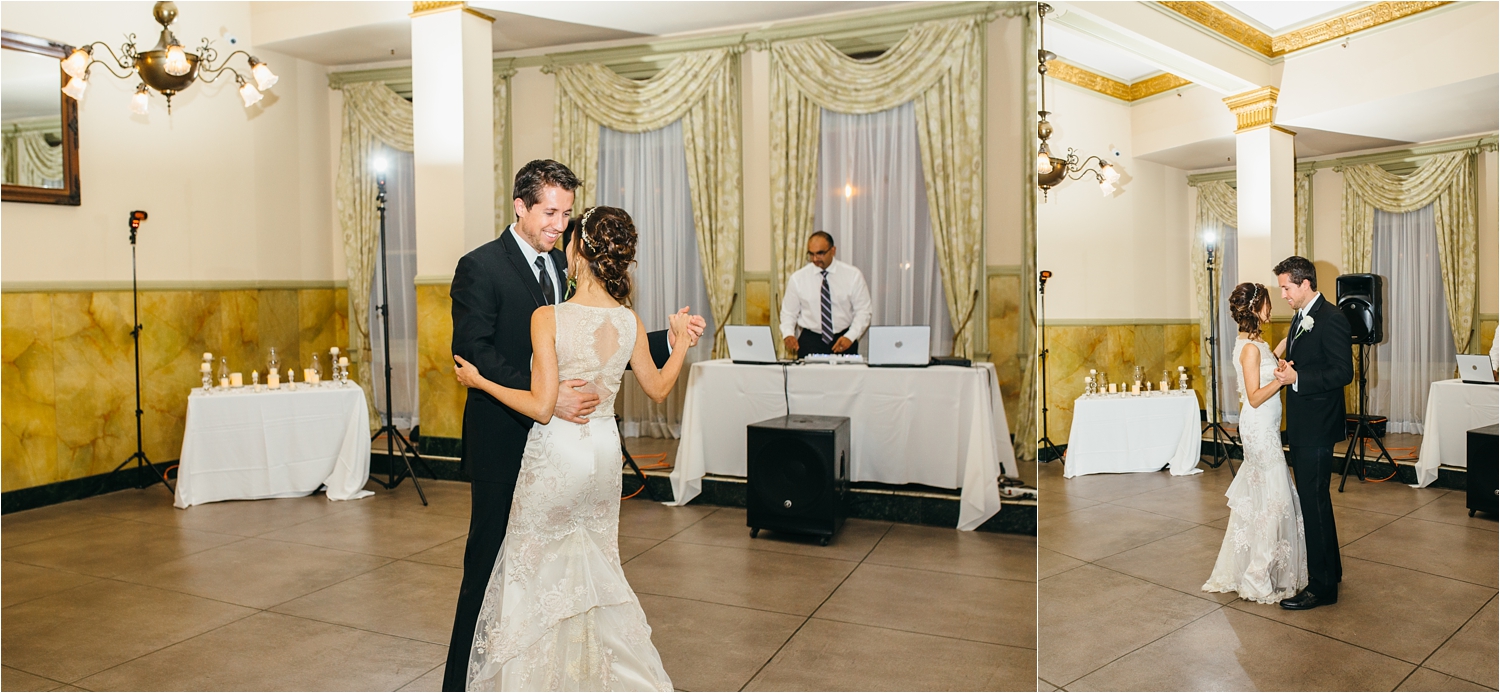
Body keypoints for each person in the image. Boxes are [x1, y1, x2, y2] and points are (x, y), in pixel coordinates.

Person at [442, 160, 702, 691]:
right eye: (551, 212)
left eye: (566, 214)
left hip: (563, 448)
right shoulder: (480, 266)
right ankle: (460, 685)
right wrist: (551, 398)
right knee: (490, 572)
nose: (561, 225)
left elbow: (597, 336)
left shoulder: (569, 266)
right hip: (505, 437)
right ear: (521, 207)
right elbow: (474, 351)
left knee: (564, 574)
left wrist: (667, 339)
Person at [1203, 282, 1308, 604]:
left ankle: (1256, 568)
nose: (1271, 309)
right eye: (1266, 303)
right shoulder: (1249, 348)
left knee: (1266, 500)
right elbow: (1254, 397)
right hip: (1259, 429)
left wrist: (1281, 348)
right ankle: (1256, 575)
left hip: (1266, 429)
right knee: (1275, 502)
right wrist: (1281, 380)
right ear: (1254, 309)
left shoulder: (1255, 342)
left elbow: (1263, 361)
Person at [1272, 256, 1353, 610]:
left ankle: (1322, 588)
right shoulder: (1300, 316)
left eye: (1286, 288)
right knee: (1315, 502)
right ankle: (1329, 572)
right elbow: (1313, 359)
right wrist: (1292, 367)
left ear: (1305, 284)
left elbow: (1342, 372)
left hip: (1318, 425)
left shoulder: (1332, 318)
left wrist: (1298, 379)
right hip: (1305, 423)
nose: (1284, 295)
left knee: (1314, 502)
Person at [778, 231, 872, 358]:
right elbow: (789, 313)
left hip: (843, 339)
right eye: (811, 254)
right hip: (810, 340)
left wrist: (850, 336)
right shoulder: (798, 278)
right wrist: (788, 333)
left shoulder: (853, 276)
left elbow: (863, 311)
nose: (815, 259)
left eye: (820, 253)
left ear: (833, 251)